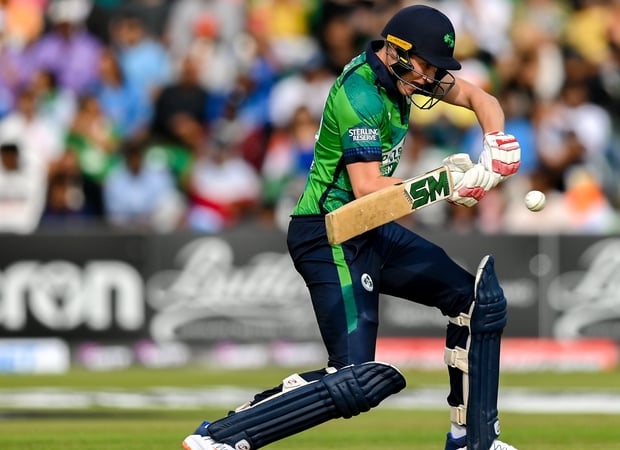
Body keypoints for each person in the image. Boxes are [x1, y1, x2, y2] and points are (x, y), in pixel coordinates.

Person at [181, 5, 521, 450]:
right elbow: (366, 187)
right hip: (329, 232)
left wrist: (495, 144)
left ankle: (472, 440)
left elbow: (483, 100)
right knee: (354, 378)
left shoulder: (409, 74)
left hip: (372, 228)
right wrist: (445, 184)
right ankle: (221, 437)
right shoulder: (360, 92)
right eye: (427, 68)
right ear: (397, 53)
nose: (432, 80)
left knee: (476, 302)